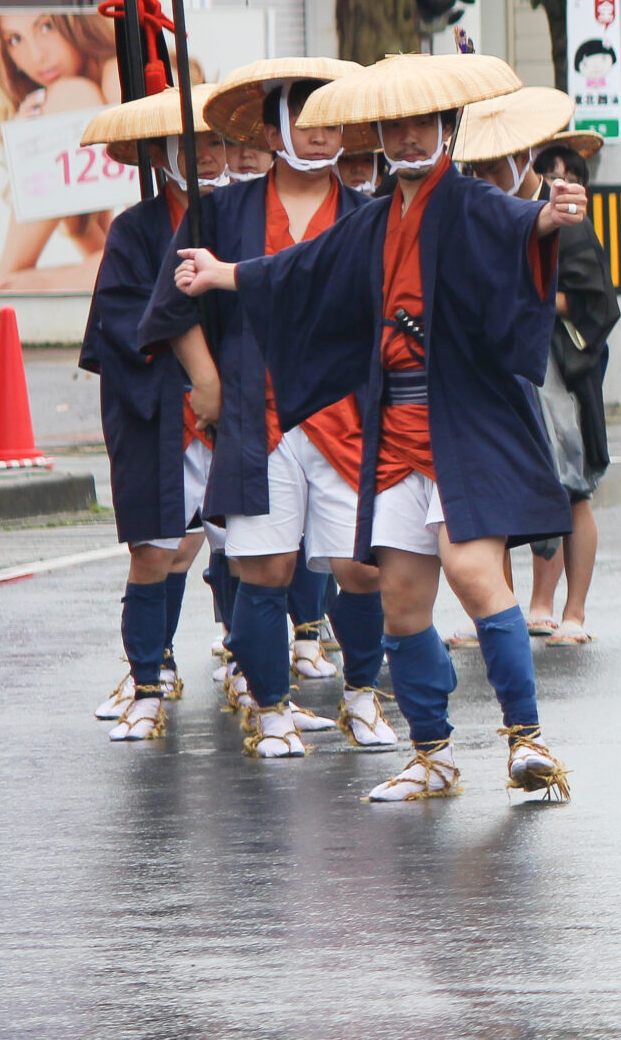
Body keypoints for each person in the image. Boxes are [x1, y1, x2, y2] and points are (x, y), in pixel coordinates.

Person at [173, 52, 587, 804]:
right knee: (400, 596)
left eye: (418, 123)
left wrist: (549, 216)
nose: (405, 137)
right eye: (393, 126)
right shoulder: (371, 219)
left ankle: (527, 739)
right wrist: (223, 273)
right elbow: (302, 266)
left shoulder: (469, 201)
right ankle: (432, 753)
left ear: (446, 127)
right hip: (393, 423)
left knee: (470, 569)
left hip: (465, 420)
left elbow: (517, 222)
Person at [144, 60, 389, 758]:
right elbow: (175, 296)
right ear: (275, 127)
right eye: (306, 122)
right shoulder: (224, 209)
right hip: (260, 413)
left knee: (361, 568)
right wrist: (206, 377)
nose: (321, 135)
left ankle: (363, 692)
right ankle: (270, 705)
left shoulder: (367, 214)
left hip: (345, 413)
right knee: (265, 568)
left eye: (332, 122)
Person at [81, 85, 221, 740]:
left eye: (221, 140)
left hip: (228, 403)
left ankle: (257, 676)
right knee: (152, 547)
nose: (211, 153)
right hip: (157, 403)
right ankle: (144, 681)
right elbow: (119, 317)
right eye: (197, 142)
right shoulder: (134, 229)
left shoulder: (238, 216)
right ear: (166, 153)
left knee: (227, 546)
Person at [455, 89, 618, 640]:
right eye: (476, 164)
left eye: (494, 163)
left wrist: (525, 299)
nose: (485, 172)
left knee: (569, 485)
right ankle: (494, 613)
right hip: (490, 360)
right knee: (490, 489)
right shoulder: (473, 208)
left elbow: (595, 297)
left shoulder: (561, 206)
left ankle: (567, 609)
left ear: (522, 156)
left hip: (553, 362)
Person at [0, 10, 123, 290]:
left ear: (78, 21)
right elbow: (105, 248)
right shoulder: (81, 94)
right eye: (15, 40)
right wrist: (30, 154)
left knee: (71, 96)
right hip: (158, 268)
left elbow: (159, 243)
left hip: (190, 259)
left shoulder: (116, 74)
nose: (36, 56)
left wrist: (49, 282)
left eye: (46, 26)